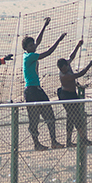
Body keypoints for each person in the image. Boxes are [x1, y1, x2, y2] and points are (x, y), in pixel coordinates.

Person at [23, 17, 66, 151]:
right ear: (26, 48)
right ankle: (37, 144)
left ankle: (53, 141)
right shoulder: (30, 57)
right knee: (34, 119)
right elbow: (47, 53)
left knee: (50, 116)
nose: (33, 46)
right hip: (31, 91)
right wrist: (58, 41)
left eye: (33, 45)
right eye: (30, 46)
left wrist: (44, 26)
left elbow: (37, 41)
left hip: (37, 89)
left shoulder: (31, 53)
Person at [57, 40, 92, 147]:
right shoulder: (64, 75)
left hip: (72, 95)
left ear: (66, 65)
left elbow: (71, 57)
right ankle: (83, 139)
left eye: (65, 68)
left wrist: (78, 46)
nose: (64, 70)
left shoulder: (67, 65)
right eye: (62, 69)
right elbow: (79, 74)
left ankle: (69, 141)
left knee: (71, 118)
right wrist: (89, 65)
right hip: (66, 96)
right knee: (76, 118)